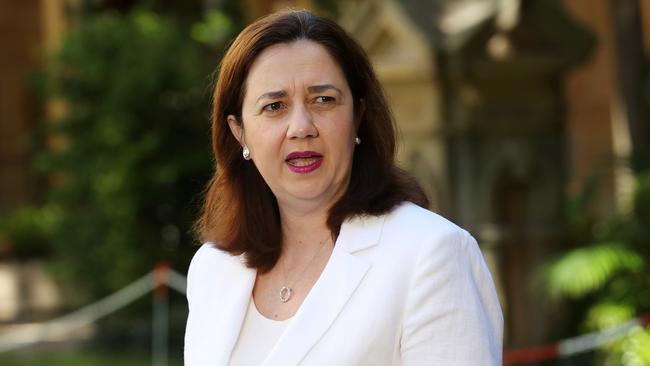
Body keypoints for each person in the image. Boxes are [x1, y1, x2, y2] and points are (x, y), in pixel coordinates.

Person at [185, 9, 503, 366]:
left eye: (323, 100)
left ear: (357, 116)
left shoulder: (431, 254)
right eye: (274, 106)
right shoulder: (213, 270)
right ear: (238, 131)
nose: (301, 127)